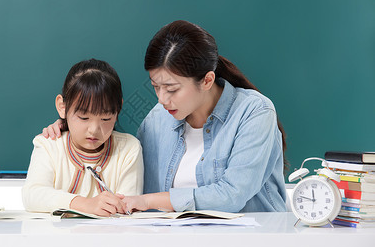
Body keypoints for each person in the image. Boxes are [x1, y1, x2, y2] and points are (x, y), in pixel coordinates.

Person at [43, 20, 287, 213]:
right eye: (155, 86)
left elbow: (233, 194)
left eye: (171, 89)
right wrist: (68, 131)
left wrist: (151, 201)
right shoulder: (157, 120)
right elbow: (118, 156)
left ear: (207, 80)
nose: (161, 99)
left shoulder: (254, 112)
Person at [22, 59, 143, 216]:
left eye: (106, 118)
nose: (94, 130)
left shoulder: (129, 148)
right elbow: (32, 195)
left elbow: (127, 207)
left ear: (118, 109)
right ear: (62, 107)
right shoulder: (49, 144)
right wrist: (84, 204)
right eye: (84, 118)